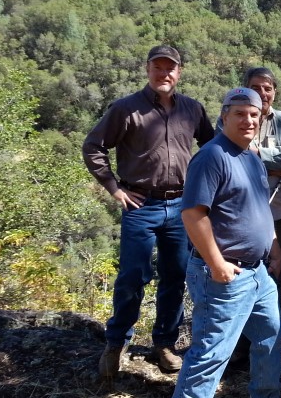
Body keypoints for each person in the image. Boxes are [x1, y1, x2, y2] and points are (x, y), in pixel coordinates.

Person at [161, 87, 281, 398]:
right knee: (212, 349)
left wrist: (273, 247)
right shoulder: (211, 157)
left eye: (254, 115)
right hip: (224, 274)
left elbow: (260, 208)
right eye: (240, 113)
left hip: (257, 272)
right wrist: (216, 262)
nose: (248, 121)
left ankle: (265, 397)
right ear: (224, 116)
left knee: (270, 334)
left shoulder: (252, 158)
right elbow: (193, 214)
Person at [83, 44, 215, 380]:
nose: (164, 73)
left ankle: (164, 345)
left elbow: (213, 147)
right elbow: (93, 147)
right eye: (158, 67)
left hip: (183, 206)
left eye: (170, 68)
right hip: (141, 205)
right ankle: (116, 343)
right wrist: (114, 188)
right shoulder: (126, 109)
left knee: (174, 277)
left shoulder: (192, 109)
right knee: (132, 276)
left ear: (179, 72)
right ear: (148, 70)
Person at [228, 67, 281, 367]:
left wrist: (256, 155)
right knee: (239, 283)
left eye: (267, 88)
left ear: (274, 91)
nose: (262, 93)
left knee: (275, 284)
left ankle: (267, 353)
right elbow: (226, 156)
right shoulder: (233, 115)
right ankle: (238, 352)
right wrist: (277, 163)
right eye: (256, 87)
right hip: (240, 218)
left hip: (280, 215)